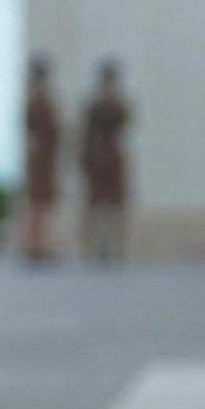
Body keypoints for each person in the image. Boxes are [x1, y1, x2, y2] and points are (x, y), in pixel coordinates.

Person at [81, 60, 133, 263]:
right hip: (98, 160)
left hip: (113, 158)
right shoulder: (95, 105)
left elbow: (126, 121)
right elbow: (87, 134)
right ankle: (95, 247)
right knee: (96, 206)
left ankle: (116, 247)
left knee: (116, 206)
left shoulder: (117, 104)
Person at [23, 56, 60, 261]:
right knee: (38, 203)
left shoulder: (37, 99)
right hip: (41, 157)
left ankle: (38, 243)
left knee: (41, 203)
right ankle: (35, 245)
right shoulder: (38, 100)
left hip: (43, 156)